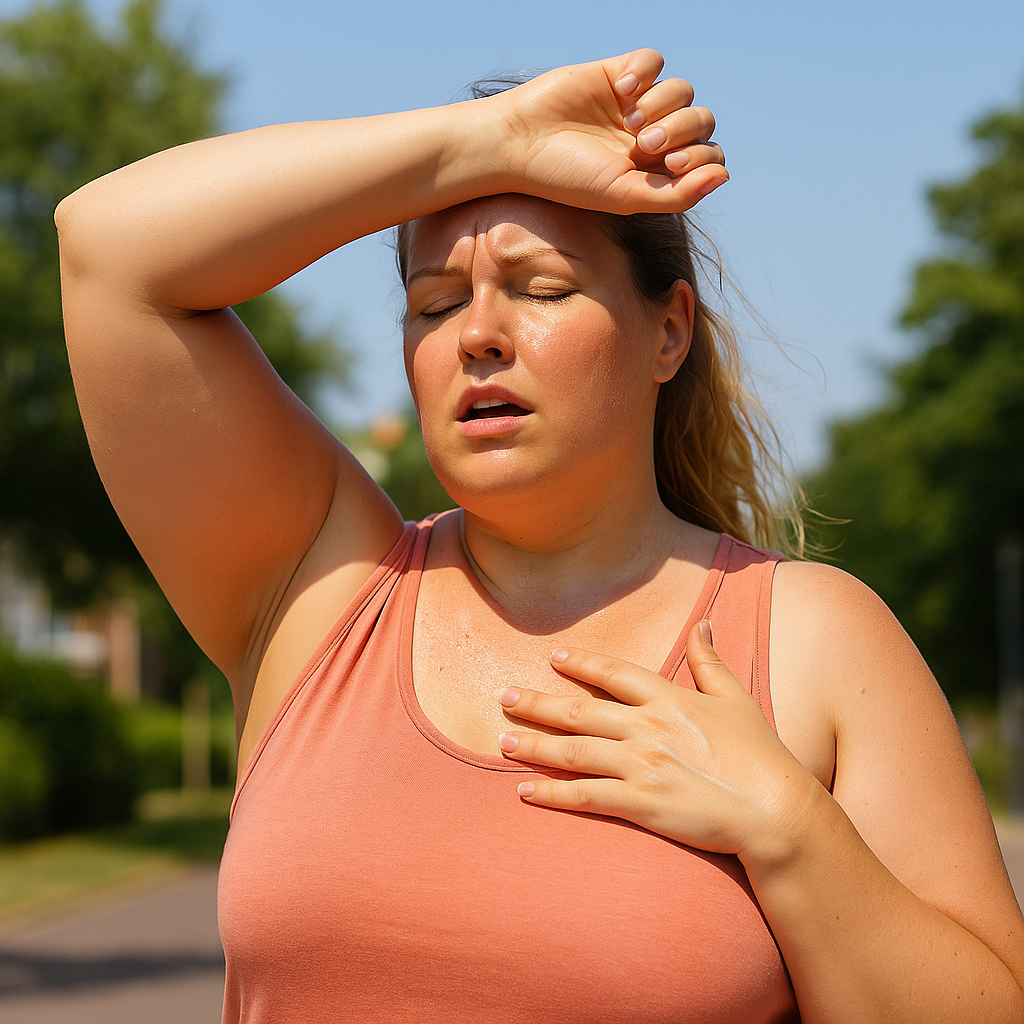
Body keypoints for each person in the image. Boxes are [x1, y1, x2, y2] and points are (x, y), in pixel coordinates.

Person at [55, 48, 1024, 1023]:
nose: (477, 333)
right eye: (435, 303)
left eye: (543, 289)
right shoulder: (320, 581)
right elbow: (109, 248)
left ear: (668, 332)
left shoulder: (815, 639)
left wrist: (791, 829)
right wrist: (495, 140)